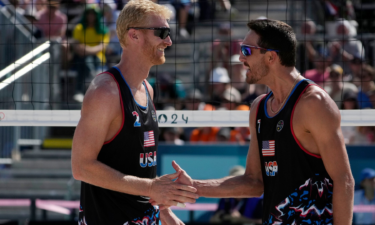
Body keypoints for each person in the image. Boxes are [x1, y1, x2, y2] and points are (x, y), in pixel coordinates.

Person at [150, 19, 355, 224]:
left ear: (271, 57)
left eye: (247, 50)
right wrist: (193, 185)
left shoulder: (313, 103)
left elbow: (344, 180)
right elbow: (254, 182)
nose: (240, 57)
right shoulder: (259, 108)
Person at [71, 1, 198, 225]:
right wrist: (151, 187)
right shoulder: (105, 91)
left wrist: (165, 212)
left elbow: (138, 170)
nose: (168, 41)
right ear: (134, 35)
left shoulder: (146, 89)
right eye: (161, 32)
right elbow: (81, 167)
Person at [72, 4, 110, 102]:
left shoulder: (103, 30)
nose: (91, 16)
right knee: (85, 61)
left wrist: (86, 49)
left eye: (93, 14)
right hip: (81, 57)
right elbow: (76, 46)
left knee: (86, 61)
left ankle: (80, 91)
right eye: (88, 13)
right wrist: (85, 50)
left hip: (98, 59)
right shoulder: (79, 28)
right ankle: (92, 87)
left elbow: (101, 47)